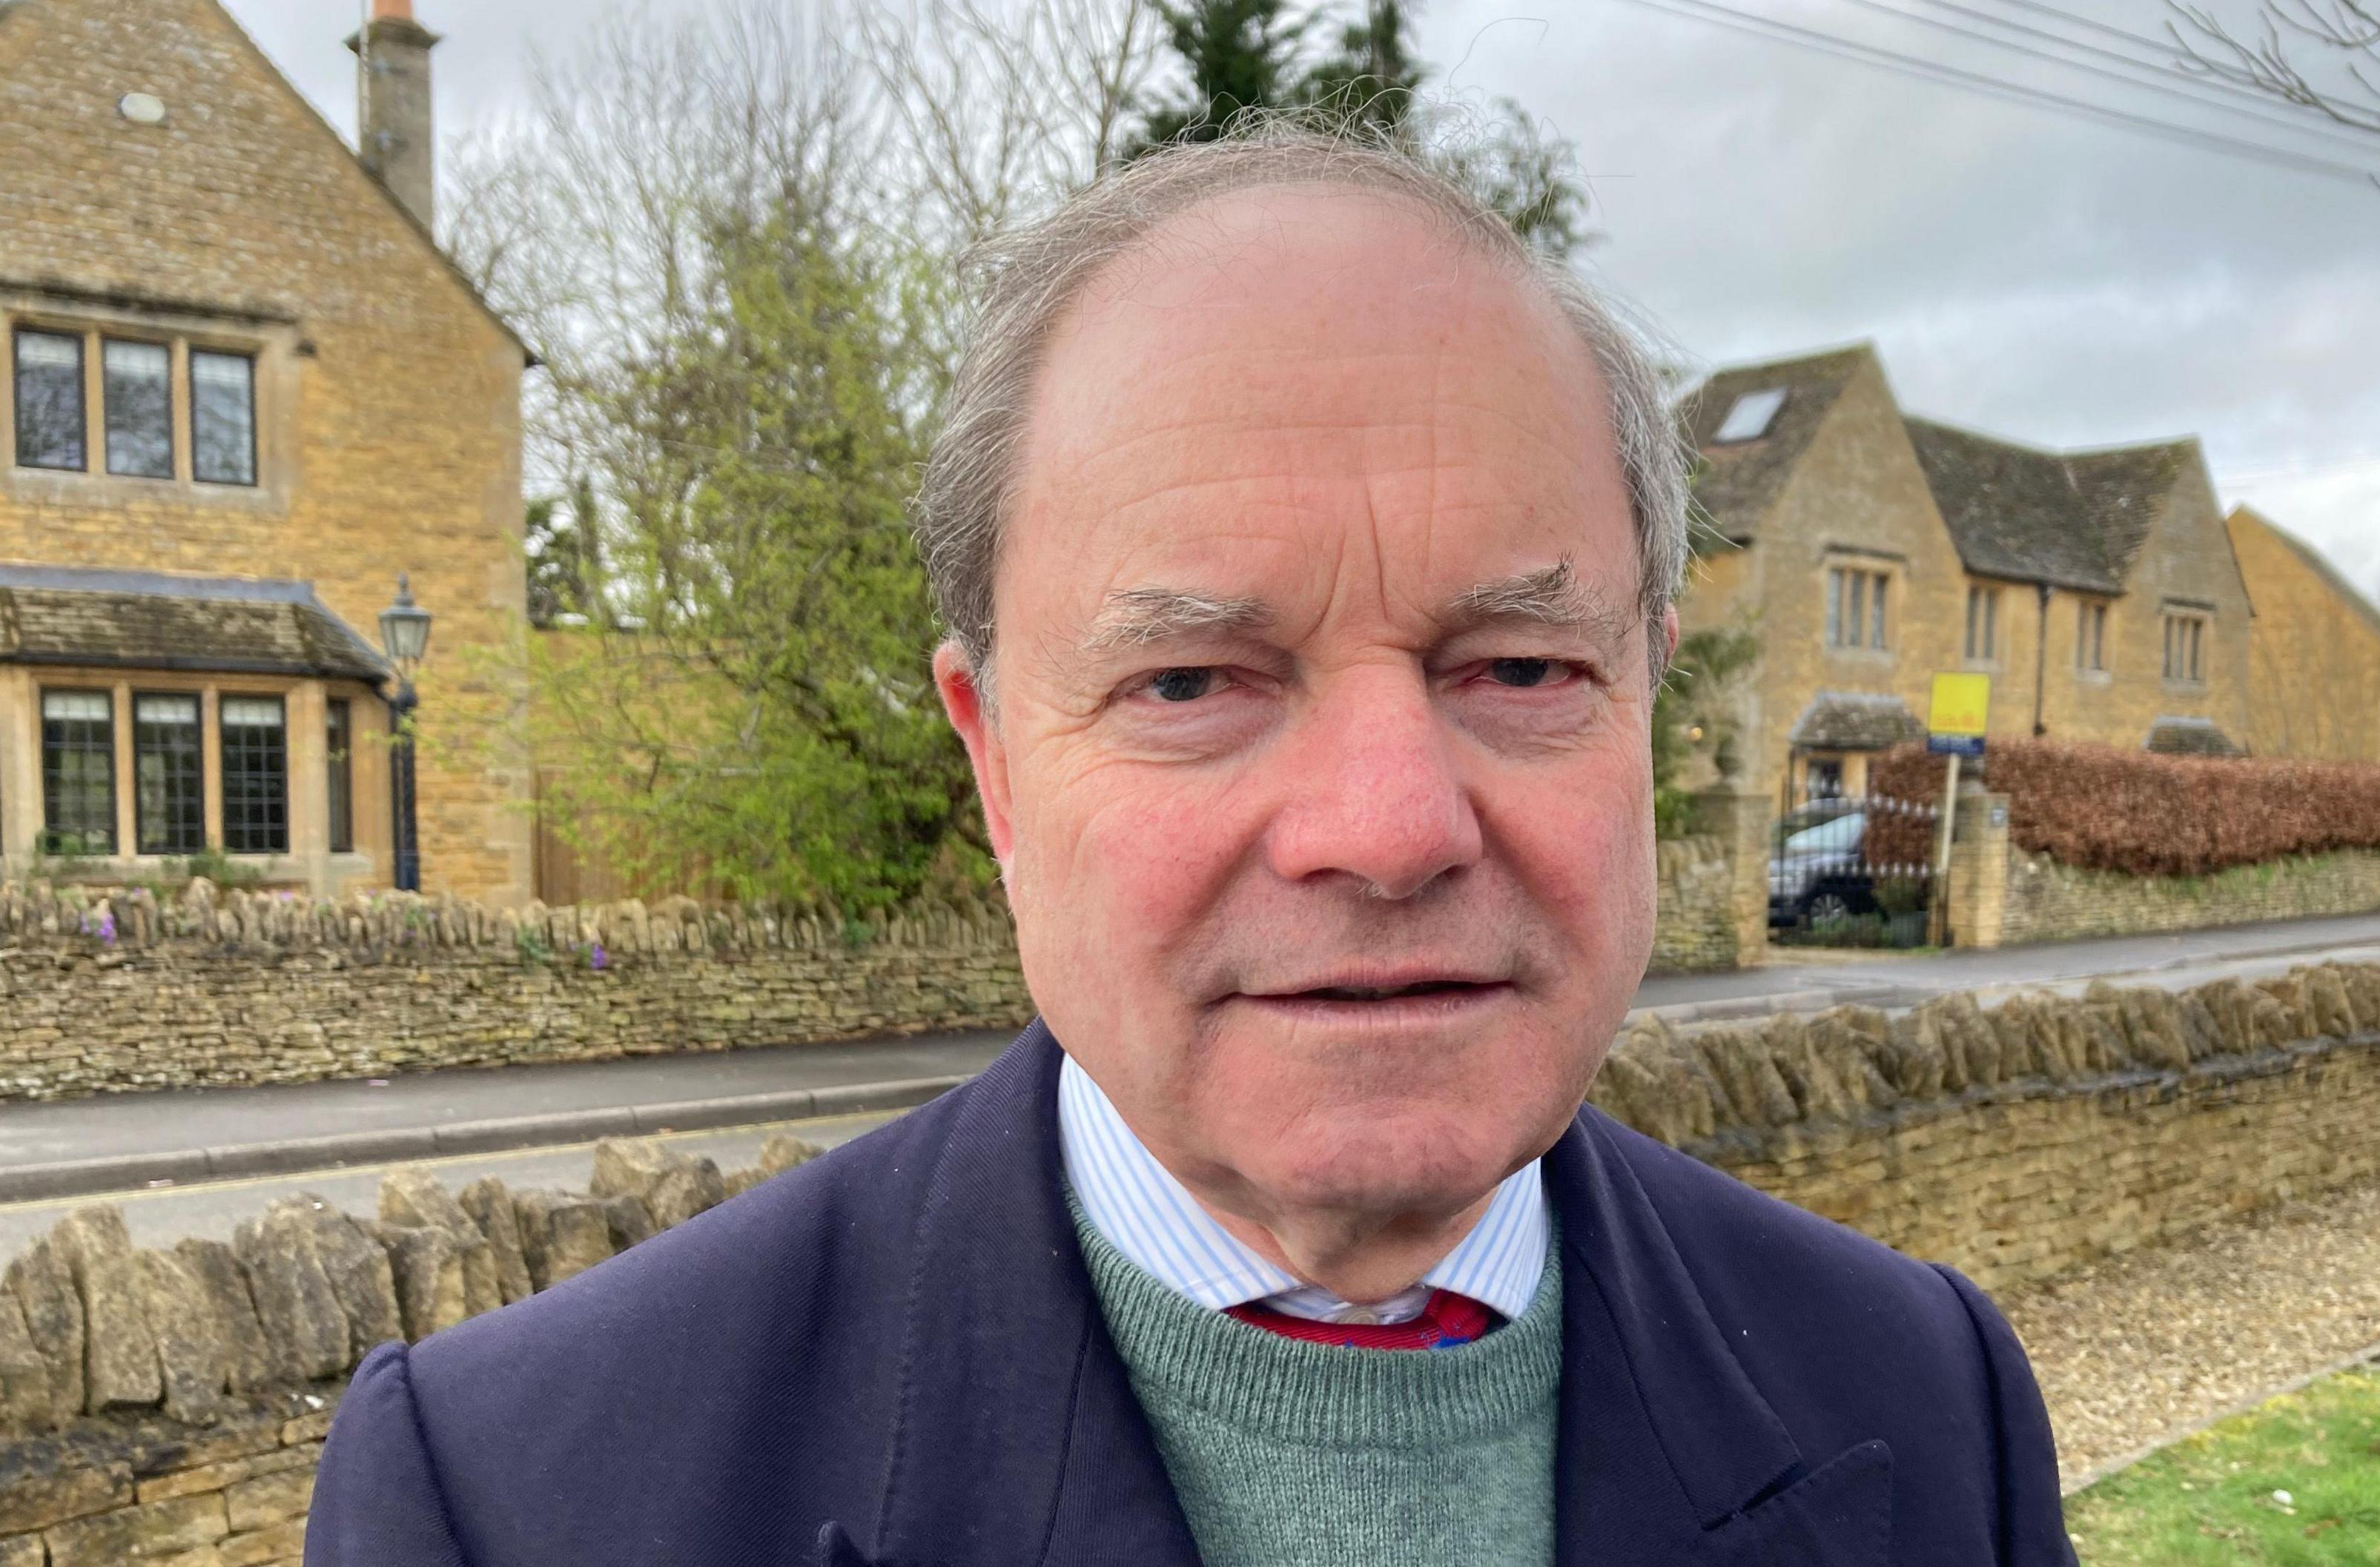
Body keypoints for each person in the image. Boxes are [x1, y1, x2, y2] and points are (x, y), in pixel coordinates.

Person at [305, 126, 2074, 1567]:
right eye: (1193, 680)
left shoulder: (1929, 1398)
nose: (1388, 828)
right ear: (996, 765)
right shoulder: (510, 1497)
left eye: (1521, 666)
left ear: (1644, 705)